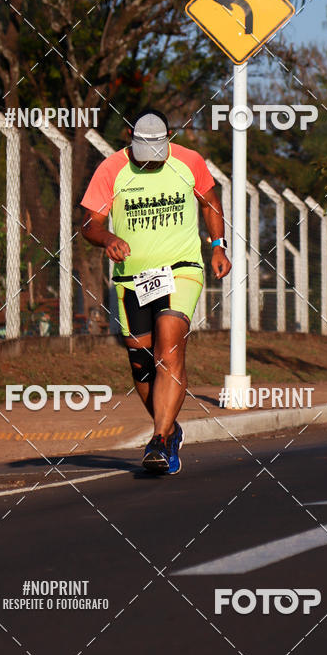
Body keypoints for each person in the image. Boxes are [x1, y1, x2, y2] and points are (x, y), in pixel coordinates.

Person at [80, 109, 231, 474]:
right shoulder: (111, 169)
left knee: (169, 347)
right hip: (132, 279)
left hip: (182, 269)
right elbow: (89, 223)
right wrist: (108, 237)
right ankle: (169, 429)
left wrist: (218, 245)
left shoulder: (189, 161)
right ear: (128, 135)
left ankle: (160, 440)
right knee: (143, 365)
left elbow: (209, 200)